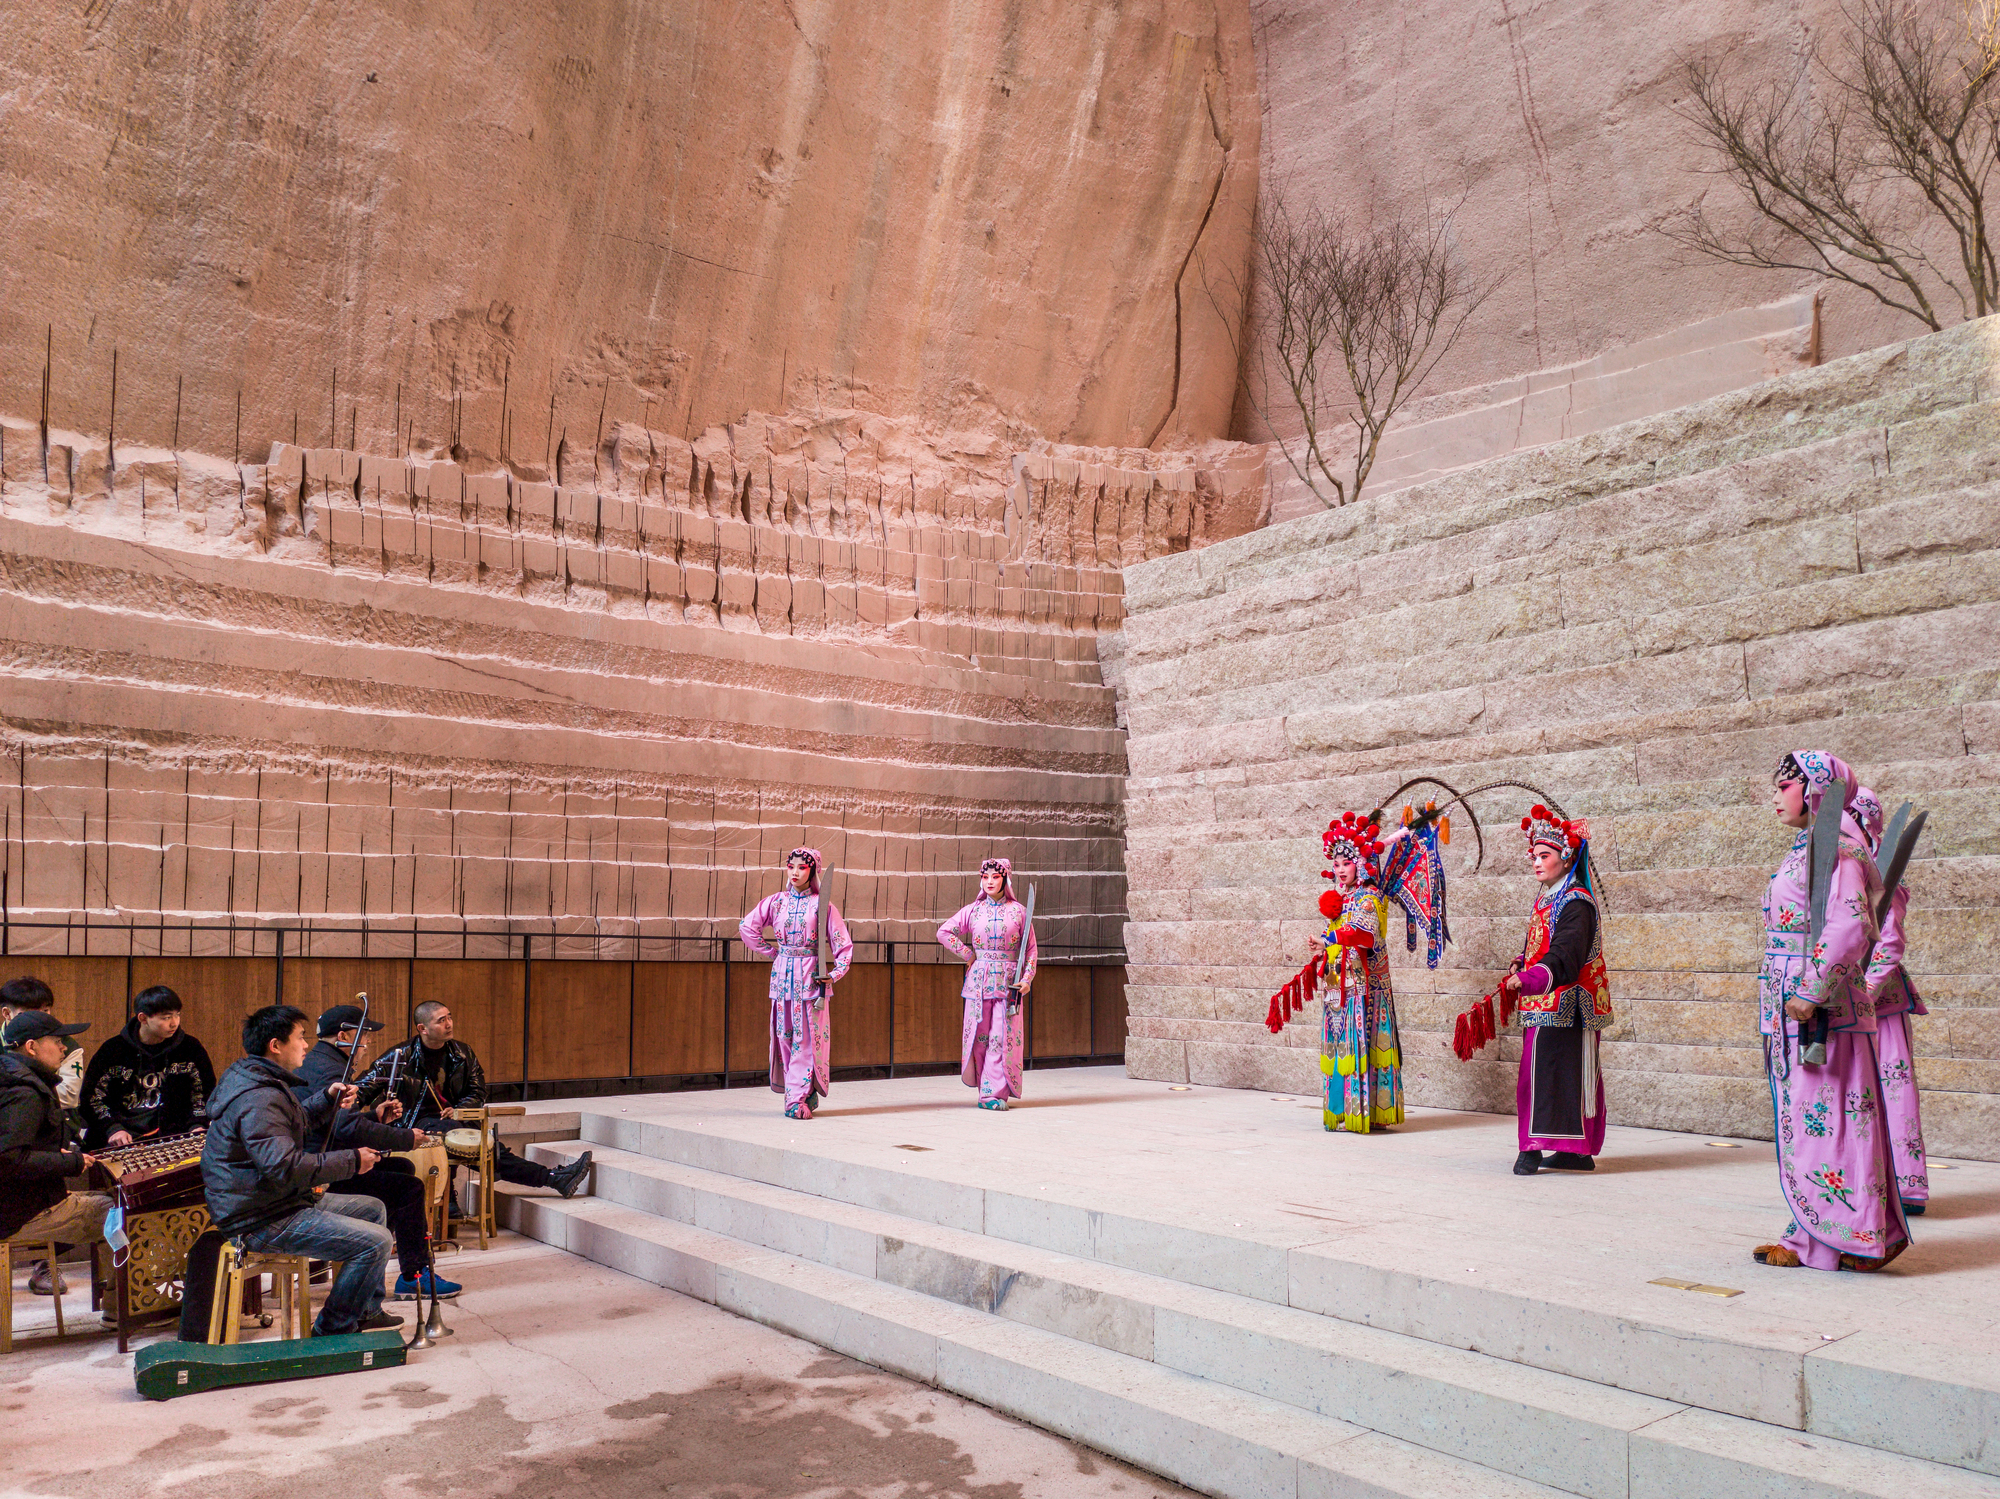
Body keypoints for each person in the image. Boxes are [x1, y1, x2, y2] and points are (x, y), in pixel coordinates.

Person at [1754, 752, 1909, 1271]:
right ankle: (1816, 1235)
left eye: (1783, 786)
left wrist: (1813, 989)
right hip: (1796, 1007)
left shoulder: (1837, 849)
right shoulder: (1810, 847)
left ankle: (1854, 1236)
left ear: (1815, 790)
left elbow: (1847, 924)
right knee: (1814, 1120)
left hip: (1820, 1012)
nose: (1775, 797)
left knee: (1832, 1120)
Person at [200, 1003, 400, 1336]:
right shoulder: (260, 1097)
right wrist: (352, 1161)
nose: (307, 1045)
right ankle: (333, 1330)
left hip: (273, 1200)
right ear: (275, 1046)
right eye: (300, 1038)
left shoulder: (262, 1082)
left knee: (373, 1209)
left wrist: (326, 1099)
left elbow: (294, 1125)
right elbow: (284, 1167)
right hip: (261, 1216)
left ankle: (365, 1309)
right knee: (376, 1241)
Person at [297, 1004, 461, 1301]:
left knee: (402, 1171)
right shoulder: (331, 1069)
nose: (368, 1043)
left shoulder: (324, 1062)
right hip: (319, 1173)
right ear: (346, 1035)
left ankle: (378, 1266)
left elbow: (336, 1123)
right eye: (365, 1036)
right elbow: (344, 1130)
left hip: (325, 1160)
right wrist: (405, 1137)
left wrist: (375, 1117)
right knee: (409, 1188)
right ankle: (409, 1272)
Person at [357, 1002, 590, 1197]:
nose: (449, 1024)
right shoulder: (400, 1055)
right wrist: (343, 1106)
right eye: (441, 1020)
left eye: (449, 1017)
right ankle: (552, 1178)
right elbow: (365, 1085)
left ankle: (552, 1179)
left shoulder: (462, 1053)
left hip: (456, 1120)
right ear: (423, 1028)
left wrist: (458, 1110)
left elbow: (478, 1092)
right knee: (464, 1141)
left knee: (483, 1147)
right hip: (413, 1123)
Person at [1500, 805, 1613, 1176]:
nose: (1536, 863)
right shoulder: (1550, 896)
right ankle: (1574, 1152)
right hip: (1548, 1000)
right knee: (1547, 1074)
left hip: (1569, 1001)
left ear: (1566, 858)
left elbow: (1565, 955)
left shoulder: (1576, 902)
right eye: (1533, 856)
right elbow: (1542, 943)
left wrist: (1530, 978)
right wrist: (1521, 960)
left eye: (1544, 855)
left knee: (1545, 1076)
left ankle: (1534, 1149)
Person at [1852, 786, 1930, 1217]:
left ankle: (1907, 1184)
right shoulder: (1852, 865)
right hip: (1850, 998)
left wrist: (1863, 992)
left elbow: (1889, 944)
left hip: (1880, 1004)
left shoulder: (1881, 872)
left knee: (1894, 1089)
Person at [739, 847, 853, 1119]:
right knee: (785, 1036)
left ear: (812, 871)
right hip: (782, 980)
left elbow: (843, 947)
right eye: (791, 866)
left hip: (812, 979)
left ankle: (795, 1099)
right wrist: (773, 952)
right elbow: (747, 927)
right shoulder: (776, 902)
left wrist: (833, 975)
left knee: (806, 1040)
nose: (794, 872)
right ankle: (802, 1092)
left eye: (801, 867)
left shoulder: (821, 905)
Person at [0, 1012, 107, 1297]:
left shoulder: (9, 1076)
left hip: (15, 1204)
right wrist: (69, 1162)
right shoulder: (25, 1091)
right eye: (58, 1041)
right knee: (122, 1214)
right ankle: (121, 1311)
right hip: (20, 1213)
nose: (64, 1048)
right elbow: (8, 1159)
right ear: (32, 1047)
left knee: (109, 1203)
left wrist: (54, 1154)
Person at [1318, 813, 1405, 1133]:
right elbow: (1339, 935)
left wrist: (1334, 938)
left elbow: (1368, 937)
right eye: (1337, 864)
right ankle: (1342, 1109)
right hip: (1338, 980)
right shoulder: (1340, 898)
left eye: (1347, 862)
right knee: (1339, 1042)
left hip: (1366, 984)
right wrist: (1324, 948)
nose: (1341, 869)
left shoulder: (1370, 897)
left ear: (1360, 863)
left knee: (1365, 1041)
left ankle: (1370, 1112)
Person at [937, 857, 1036, 1111]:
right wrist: (969, 955)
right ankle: (984, 1091)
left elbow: (1031, 950)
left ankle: (995, 1093)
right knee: (980, 1038)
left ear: (1005, 879)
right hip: (978, 984)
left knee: (1000, 1038)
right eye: (985, 877)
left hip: (1008, 983)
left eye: (995, 877)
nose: (990, 881)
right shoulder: (973, 910)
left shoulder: (1019, 911)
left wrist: (1026, 979)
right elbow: (944, 932)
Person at [79, 986, 215, 1147]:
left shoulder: (190, 1048)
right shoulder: (113, 1050)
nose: (174, 1023)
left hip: (175, 1137)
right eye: (166, 1017)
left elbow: (204, 1091)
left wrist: (197, 1123)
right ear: (143, 1018)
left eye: (177, 1015)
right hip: (120, 1140)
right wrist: (112, 1128)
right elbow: (92, 1097)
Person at [0, 978, 84, 1111]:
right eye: (31, 1012)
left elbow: (69, 1095)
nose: (41, 1017)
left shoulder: (67, 1045)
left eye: (45, 1011)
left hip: (57, 1119)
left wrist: (21, 1096)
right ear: (7, 1013)